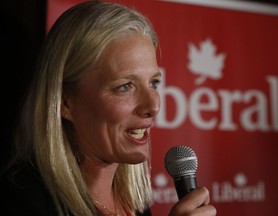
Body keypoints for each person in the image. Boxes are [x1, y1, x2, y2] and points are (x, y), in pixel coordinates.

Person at [0, 1, 217, 216]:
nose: (153, 106)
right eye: (125, 86)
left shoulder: (135, 205)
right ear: (65, 102)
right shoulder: (20, 202)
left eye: (154, 83)